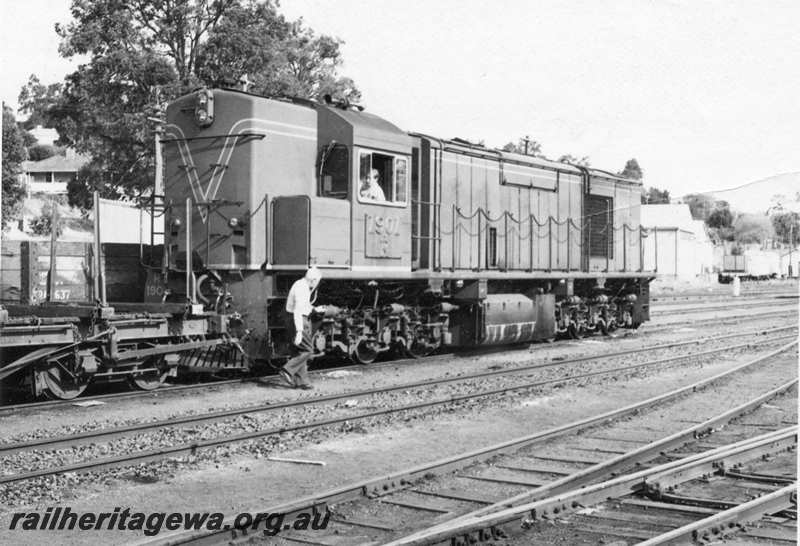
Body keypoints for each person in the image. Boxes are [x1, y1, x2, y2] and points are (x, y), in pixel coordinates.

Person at [279, 267, 322, 390]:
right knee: (308, 349)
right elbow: (298, 311)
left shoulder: (300, 284)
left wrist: (314, 309)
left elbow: (303, 305)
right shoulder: (302, 288)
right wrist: (299, 331)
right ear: (313, 280)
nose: (317, 284)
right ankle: (287, 370)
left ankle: (302, 381)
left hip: (293, 318)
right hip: (298, 319)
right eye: (317, 281)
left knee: (298, 351)